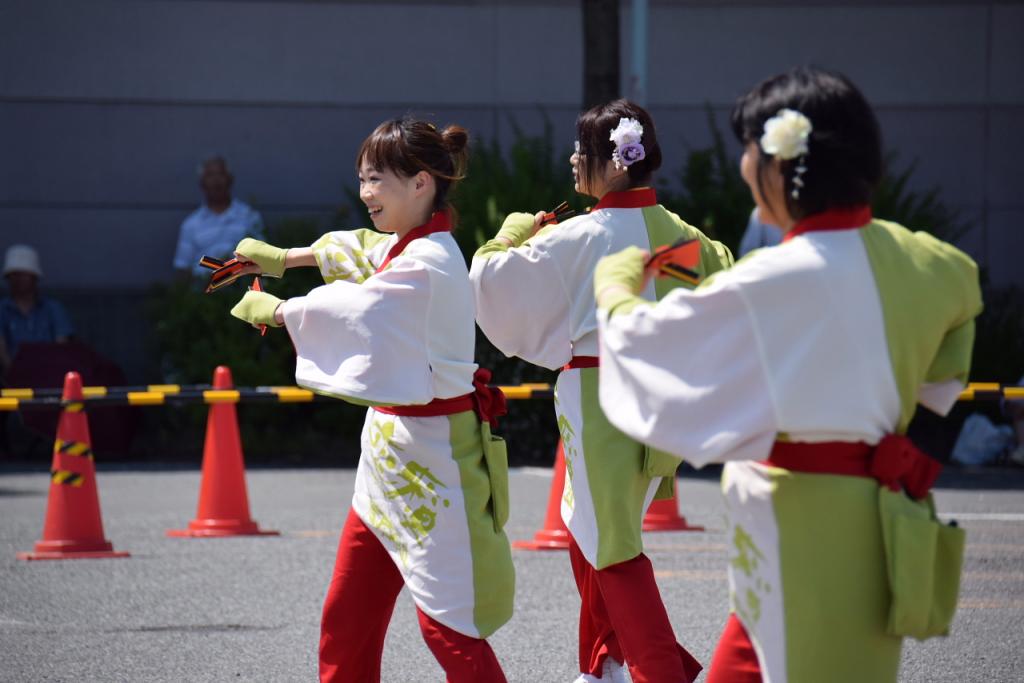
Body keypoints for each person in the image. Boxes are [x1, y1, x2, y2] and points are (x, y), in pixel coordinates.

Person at [593, 67, 981, 683]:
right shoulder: (927, 261)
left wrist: (615, 286)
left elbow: (645, 344)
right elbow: (965, 302)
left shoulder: (770, 279)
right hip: (865, 514)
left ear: (779, 165)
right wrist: (923, 431)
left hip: (805, 526)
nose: (745, 165)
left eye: (749, 149)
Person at [226, 118, 514, 683]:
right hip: (389, 465)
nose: (365, 193)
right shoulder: (411, 248)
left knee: (448, 628)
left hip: (436, 467)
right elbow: (361, 251)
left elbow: (359, 309)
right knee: (347, 617)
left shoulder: (428, 262)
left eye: (377, 179)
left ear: (421, 183)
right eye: (362, 179)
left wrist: (280, 311)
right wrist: (286, 258)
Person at [470, 99, 731, 683]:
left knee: (608, 544)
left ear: (614, 164)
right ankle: (602, 664)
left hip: (601, 397)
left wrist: (508, 234)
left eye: (581, 151)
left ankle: (661, 672)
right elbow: (721, 282)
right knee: (594, 531)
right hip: (661, 399)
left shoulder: (584, 236)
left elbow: (489, 281)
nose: (572, 160)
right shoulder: (680, 238)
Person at [172, 156, 264, 275]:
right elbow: (182, 269)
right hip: (204, 290)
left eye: (220, 174)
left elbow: (263, 259)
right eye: (210, 175)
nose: (216, 180)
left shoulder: (249, 217)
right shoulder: (191, 225)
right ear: (202, 183)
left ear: (230, 179)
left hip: (242, 289)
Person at [0, 244, 73, 377]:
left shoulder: (53, 309)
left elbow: (62, 347)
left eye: (23, 275)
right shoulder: (2, 310)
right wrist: (15, 375)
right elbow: (1, 348)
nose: (18, 280)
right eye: (14, 275)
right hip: (12, 380)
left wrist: (48, 374)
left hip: (50, 377)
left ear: (34, 277)